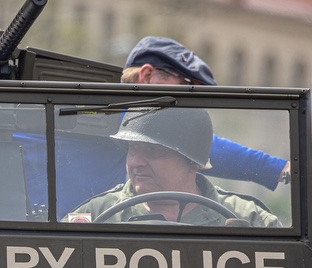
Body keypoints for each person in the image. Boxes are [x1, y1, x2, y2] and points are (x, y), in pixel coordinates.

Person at [121, 36, 290, 190]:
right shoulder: (109, 113)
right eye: (185, 89)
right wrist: (280, 168)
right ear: (147, 76)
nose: (186, 107)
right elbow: (194, 143)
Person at [66, 106, 281, 227]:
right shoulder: (94, 215)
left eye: (154, 151)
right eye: (132, 149)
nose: (136, 162)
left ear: (193, 162)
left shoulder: (249, 219)